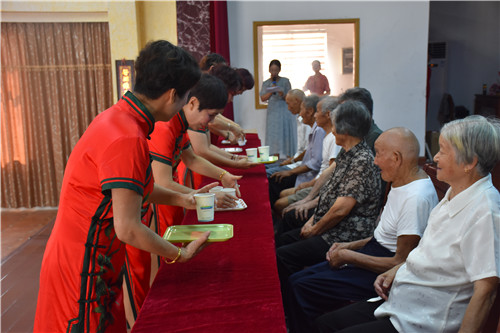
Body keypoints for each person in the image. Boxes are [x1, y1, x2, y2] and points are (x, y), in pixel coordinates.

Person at [34, 40, 213, 332]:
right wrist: (179, 254)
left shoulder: (121, 118)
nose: (184, 106)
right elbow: (128, 227)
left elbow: (136, 191)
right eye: (186, 98)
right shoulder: (127, 137)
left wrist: (186, 199)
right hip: (83, 262)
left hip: (95, 255)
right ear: (171, 96)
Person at [315, 115, 500, 333]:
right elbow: (427, 251)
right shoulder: (454, 191)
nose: (435, 158)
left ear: (469, 163)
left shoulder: (485, 211)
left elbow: (485, 291)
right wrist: (395, 271)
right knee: (324, 324)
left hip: (423, 320)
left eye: (443, 150)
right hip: (401, 301)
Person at [284, 127, 439, 333]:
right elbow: (382, 236)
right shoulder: (399, 180)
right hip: (373, 250)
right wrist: (349, 246)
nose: (374, 161)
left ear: (396, 158)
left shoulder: (416, 197)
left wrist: (350, 256)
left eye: (378, 154)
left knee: (301, 287)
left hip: (383, 270)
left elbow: (399, 262)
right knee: (296, 280)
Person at [275, 100, 381, 299]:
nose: (332, 129)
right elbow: (329, 191)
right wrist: (311, 218)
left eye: (335, 124)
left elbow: (341, 210)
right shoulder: (348, 153)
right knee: (282, 241)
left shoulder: (361, 161)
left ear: (345, 129)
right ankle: (289, 295)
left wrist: (314, 229)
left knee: (283, 255)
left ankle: (290, 302)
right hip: (332, 226)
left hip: (344, 234)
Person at [279, 87, 382, 226]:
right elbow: (332, 171)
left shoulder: (370, 139)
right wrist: (309, 199)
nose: (336, 117)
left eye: (343, 110)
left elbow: (346, 200)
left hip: (351, 211)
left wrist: (313, 225)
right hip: (333, 196)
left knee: (289, 214)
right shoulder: (351, 138)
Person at [273, 97, 341, 217]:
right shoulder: (327, 135)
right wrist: (293, 160)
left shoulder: (333, 138)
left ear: (328, 115)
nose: (315, 115)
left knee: (280, 202)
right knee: (282, 193)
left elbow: (328, 173)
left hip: (319, 185)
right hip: (315, 181)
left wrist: (309, 186)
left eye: (317, 111)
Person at [268, 95, 325, 206]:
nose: (300, 113)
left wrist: (290, 171)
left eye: (302, 109)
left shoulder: (319, 130)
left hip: (309, 177)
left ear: (310, 111)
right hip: (303, 172)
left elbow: (315, 163)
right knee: (272, 176)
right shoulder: (315, 128)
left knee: (272, 179)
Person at [260, 59, 296, 158]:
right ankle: (274, 158)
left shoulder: (285, 81)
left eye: (276, 70)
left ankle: (289, 158)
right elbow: (263, 98)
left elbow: (290, 97)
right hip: (272, 111)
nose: (274, 72)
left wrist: (282, 93)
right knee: (273, 135)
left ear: (279, 70)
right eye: (272, 70)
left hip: (284, 110)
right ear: (269, 70)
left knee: (285, 134)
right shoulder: (266, 83)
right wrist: (272, 90)